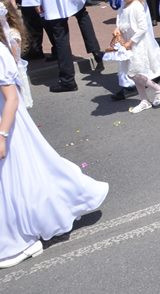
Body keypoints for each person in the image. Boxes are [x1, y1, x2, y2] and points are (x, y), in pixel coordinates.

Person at [0, 28, 108, 269]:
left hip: (9, 125)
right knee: (24, 175)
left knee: (14, 178)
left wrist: (2, 135)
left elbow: (11, 98)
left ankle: (21, 242)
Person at [111, 0, 160, 114]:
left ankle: (158, 89)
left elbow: (143, 27)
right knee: (131, 73)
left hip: (136, 44)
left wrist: (131, 42)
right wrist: (117, 29)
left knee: (134, 73)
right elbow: (119, 19)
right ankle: (144, 100)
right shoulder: (123, 7)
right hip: (126, 42)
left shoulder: (137, 6)